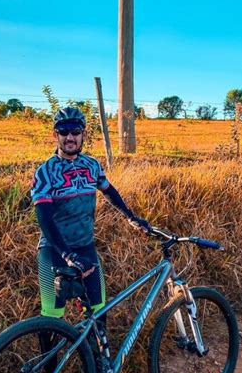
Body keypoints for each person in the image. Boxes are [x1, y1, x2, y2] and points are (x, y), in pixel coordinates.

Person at [31, 106, 153, 321]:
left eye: (76, 131)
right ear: (55, 135)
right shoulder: (45, 172)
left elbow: (109, 191)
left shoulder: (92, 165)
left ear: (83, 134)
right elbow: (45, 219)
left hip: (85, 247)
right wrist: (67, 255)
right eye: (63, 131)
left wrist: (131, 217)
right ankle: (50, 356)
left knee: (98, 312)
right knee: (52, 317)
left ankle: (97, 355)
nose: (70, 137)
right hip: (55, 251)